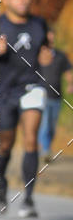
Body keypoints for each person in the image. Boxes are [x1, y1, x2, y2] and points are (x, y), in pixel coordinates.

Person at [0, 0, 48, 217]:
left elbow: (46, 49)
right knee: (5, 145)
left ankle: (28, 199)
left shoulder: (40, 24)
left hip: (33, 87)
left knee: (30, 139)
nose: (22, 0)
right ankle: (1, 188)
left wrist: (47, 59)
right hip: (5, 92)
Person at [38, 28, 73, 163]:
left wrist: (70, 84)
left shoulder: (60, 56)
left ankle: (45, 147)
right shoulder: (38, 55)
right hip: (42, 95)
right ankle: (45, 151)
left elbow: (68, 72)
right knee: (45, 124)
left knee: (52, 126)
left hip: (57, 96)